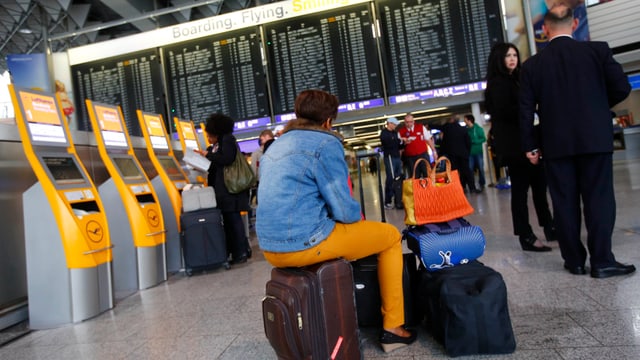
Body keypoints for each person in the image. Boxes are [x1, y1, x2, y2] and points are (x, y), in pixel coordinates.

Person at [256, 89, 416, 352]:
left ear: (298, 115)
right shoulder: (325, 142)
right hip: (304, 243)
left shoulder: (277, 144)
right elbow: (343, 209)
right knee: (389, 236)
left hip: (270, 248)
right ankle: (393, 328)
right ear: (329, 120)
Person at [519, 5, 634, 277]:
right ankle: (602, 261)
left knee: (564, 203)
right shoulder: (598, 51)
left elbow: (525, 110)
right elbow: (622, 87)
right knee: (599, 200)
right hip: (595, 139)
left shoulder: (533, 65)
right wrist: (595, 106)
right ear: (575, 23)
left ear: (544, 29)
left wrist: (530, 146)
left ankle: (574, 261)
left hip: (556, 144)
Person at [485, 42, 554, 252]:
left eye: (515, 55)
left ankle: (549, 226)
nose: (512, 59)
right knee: (521, 192)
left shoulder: (518, 79)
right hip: (515, 147)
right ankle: (525, 235)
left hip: (528, 142)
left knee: (540, 187)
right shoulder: (498, 84)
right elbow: (506, 113)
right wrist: (529, 104)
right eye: (508, 56)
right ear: (499, 59)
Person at [196, 113, 252, 265]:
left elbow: (226, 159)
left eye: (209, 135)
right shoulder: (218, 143)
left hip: (229, 190)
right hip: (224, 190)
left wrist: (208, 155)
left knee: (233, 221)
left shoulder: (227, 140)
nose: (208, 138)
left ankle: (240, 253)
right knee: (231, 221)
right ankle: (240, 250)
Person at [439, 117, 479, 194]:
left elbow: (444, 144)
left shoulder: (448, 131)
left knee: (455, 172)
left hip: (453, 155)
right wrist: (467, 152)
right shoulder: (463, 129)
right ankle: (472, 188)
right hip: (463, 154)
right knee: (466, 171)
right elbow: (468, 141)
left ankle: (459, 187)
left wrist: (441, 154)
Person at [398, 113, 436, 178]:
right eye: (407, 122)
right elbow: (400, 148)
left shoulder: (421, 127)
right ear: (404, 122)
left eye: (411, 122)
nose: (409, 124)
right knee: (414, 176)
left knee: (427, 173)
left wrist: (434, 151)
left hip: (423, 155)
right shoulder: (401, 132)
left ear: (414, 121)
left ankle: (429, 188)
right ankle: (417, 188)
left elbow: (428, 140)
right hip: (410, 158)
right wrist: (399, 159)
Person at [380, 117, 404, 209]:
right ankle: (388, 201)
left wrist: (403, 142)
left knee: (398, 178)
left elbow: (398, 145)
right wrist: (398, 141)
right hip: (390, 157)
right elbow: (389, 143)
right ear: (389, 123)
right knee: (391, 178)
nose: (395, 126)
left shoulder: (395, 133)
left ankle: (398, 199)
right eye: (394, 124)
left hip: (397, 156)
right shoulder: (384, 133)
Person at [249, 129, 275, 205]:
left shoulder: (256, 153)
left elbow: (253, 168)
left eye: (262, 138)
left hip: (262, 181)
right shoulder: (256, 153)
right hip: (264, 180)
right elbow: (253, 168)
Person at [464, 114, 487, 190]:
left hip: (478, 152)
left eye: (465, 120)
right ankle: (472, 185)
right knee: (470, 169)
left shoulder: (478, 129)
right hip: (470, 153)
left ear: (469, 120)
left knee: (480, 168)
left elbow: (483, 139)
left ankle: (482, 183)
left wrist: (475, 141)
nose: (465, 122)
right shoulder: (466, 130)